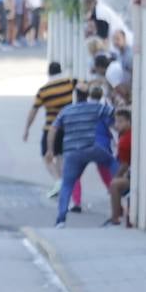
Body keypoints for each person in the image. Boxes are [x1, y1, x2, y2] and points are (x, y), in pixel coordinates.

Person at [48, 89, 114, 227]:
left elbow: (53, 129)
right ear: (87, 96)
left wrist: (50, 150)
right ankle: (127, 191)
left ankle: (61, 219)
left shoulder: (66, 111)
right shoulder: (96, 108)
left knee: (67, 184)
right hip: (92, 147)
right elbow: (113, 115)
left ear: (75, 96)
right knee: (111, 163)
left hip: (72, 151)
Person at [23, 61, 80, 199]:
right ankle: (62, 184)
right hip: (67, 127)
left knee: (46, 156)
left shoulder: (44, 90)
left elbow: (34, 110)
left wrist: (27, 129)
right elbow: (84, 86)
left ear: (49, 72)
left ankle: (58, 181)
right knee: (60, 156)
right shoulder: (69, 82)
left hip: (51, 127)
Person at [106, 109, 132, 227]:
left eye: (121, 122)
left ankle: (115, 217)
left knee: (114, 185)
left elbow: (125, 164)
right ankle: (118, 212)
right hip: (131, 173)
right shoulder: (125, 136)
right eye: (116, 122)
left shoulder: (125, 140)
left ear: (128, 122)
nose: (117, 125)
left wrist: (116, 176)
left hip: (132, 175)